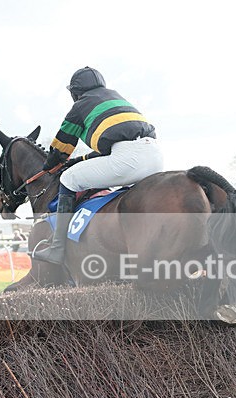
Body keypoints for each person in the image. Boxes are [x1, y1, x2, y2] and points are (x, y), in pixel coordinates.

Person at [33, 66, 163, 264]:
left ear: (75, 92)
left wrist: (49, 166)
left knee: (68, 178)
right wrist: (80, 160)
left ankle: (57, 249)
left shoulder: (80, 106)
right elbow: (109, 150)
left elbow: (61, 147)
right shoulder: (117, 97)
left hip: (128, 159)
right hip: (155, 156)